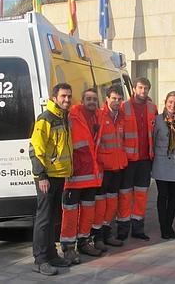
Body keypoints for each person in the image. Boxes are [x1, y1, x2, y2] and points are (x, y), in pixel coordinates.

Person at [29, 83, 74, 276]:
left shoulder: (62, 117)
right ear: (54, 98)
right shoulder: (45, 119)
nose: (67, 99)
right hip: (47, 177)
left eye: (69, 96)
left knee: (53, 219)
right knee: (44, 219)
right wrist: (41, 176)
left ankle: (51, 255)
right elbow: (35, 149)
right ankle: (40, 260)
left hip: (59, 175)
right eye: (63, 96)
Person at [60, 89, 104, 263]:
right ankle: (68, 247)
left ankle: (84, 242)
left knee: (88, 211)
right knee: (70, 213)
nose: (91, 101)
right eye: (88, 99)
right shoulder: (72, 116)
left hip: (92, 175)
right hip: (73, 176)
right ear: (82, 100)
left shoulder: (99, 117)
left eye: (94, 99)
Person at [117, 77, 158, 241]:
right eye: (140, 88)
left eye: (146, 88)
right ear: (134, 89)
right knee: (125, 195)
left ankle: (138, 228)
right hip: (127, 159)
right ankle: (122, 228)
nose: (143, 91)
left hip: (145, 159)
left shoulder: (152, 107)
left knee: (141, 195)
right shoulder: (123, 106)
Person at [90, 85, 127, 250]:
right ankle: (97, 237)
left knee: (112, 204)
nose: (117, 102)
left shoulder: (121, 117)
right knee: (100, 205)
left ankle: (107, 233)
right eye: (114, 98)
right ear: (107, 99)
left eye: (119, 99)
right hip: (103, 169)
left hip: (117, 168)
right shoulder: (99, 115)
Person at [152, 91, 175, 239]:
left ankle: (169, 224)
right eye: (170, 102)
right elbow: (152, 140)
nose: (173, 105)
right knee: (163, 195)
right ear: (165, 102)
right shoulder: (158, 119)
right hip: (161, 161)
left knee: (173, 195)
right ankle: (163, 227)